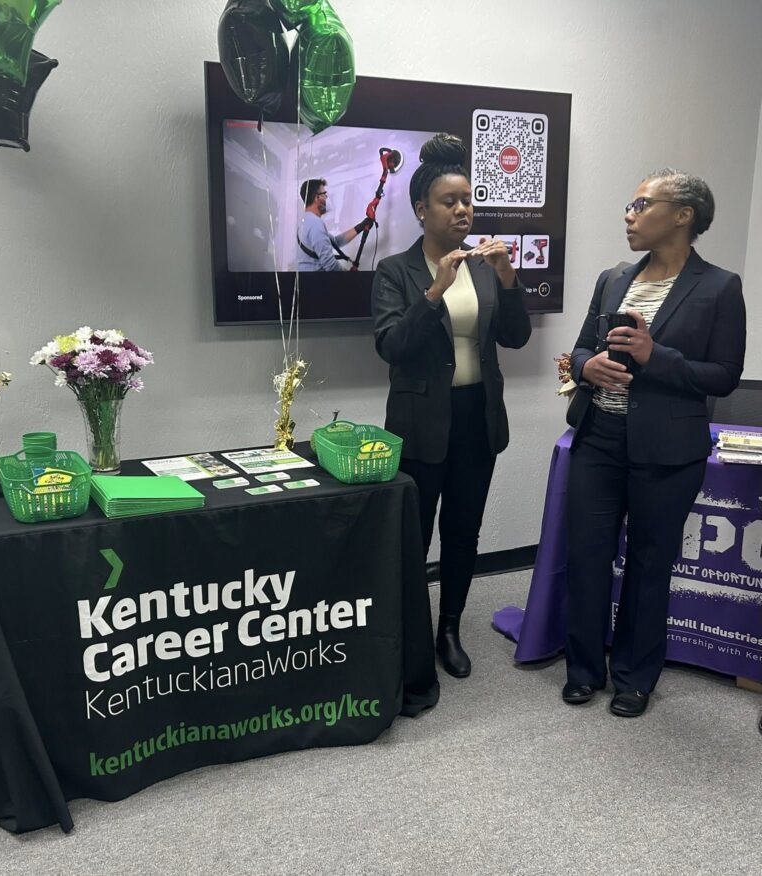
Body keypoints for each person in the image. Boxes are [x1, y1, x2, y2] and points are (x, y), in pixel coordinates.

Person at [562, 169, 746, 717]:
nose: (629, 214)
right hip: (599, 438)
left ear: (683, 215)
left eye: (642, 204)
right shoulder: (613, 278)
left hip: (668, 450)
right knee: (586, 555)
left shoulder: (720, 287)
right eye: (630, 204)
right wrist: (586, 366)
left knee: (648, 563)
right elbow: (581, 348)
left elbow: (725, 376)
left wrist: (653, 356)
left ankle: (635, 677)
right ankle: (583, 669)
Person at [371, 133, 532, 677]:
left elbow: (515, 337)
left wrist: (509, 279)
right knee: (414, 536)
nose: (463, 210)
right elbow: (391, 346)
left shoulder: (485, 267)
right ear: (422, 209)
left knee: (463, 532)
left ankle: (449, 630)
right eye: (449, 201)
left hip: (476, 420)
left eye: (468, 200)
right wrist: (434, 292)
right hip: (420, 423)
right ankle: (411, 634)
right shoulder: (396, 271)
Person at [297, 178, 372, 272]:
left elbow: (335, 242)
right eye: (324, 194)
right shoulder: (315, 224)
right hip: (316, 280)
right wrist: (349, 277)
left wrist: (360, 227)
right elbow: (329, 264)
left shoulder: (307, 222)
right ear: (317, 198)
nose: (327, 198)